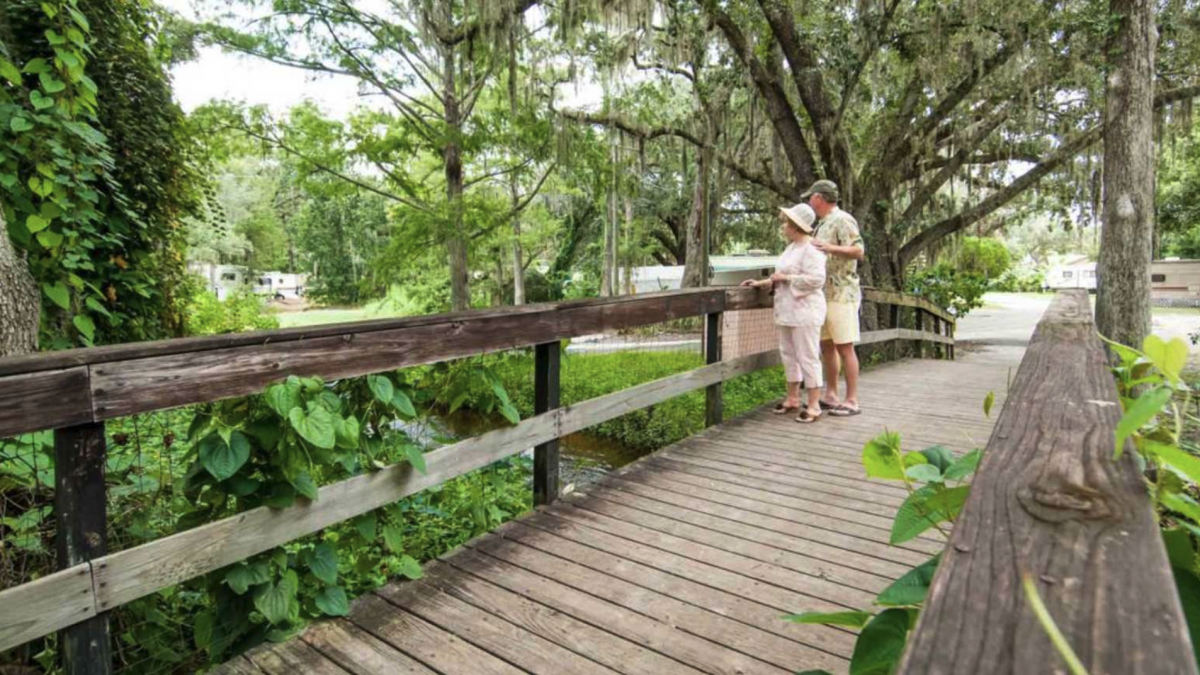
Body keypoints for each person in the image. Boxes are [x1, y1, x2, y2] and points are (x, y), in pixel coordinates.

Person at [742, 203, 827, 423]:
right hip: (786, 310)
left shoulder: (812, 249)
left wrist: (787, 279)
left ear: (796, 226)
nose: (783, 226)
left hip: (806, 311)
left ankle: (814, 404)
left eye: (787, 223)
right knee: (788, 353)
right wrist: (762, 282)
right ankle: (792, 398)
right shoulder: (791, 248)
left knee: (807, 356)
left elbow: (817, 279)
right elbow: (780, 275)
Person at [803, 179, 866, 417]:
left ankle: (852, 400)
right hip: (823, 294)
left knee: (845, 346)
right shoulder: (821, 224)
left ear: (819, 197)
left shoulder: (842, 219)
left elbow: (859, 251)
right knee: (826, 345)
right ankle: (831, 394)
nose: (809, 201)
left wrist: (829, 248)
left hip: (842, 293)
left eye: (811, 197)